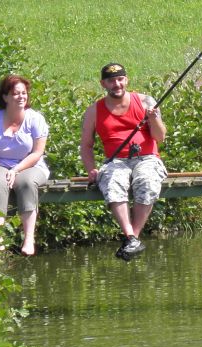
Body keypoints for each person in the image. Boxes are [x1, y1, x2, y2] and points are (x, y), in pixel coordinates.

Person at [80, 63, 167, 261]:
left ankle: (132, 238)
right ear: (103, 84)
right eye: (111, 81)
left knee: (147, 181)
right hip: (116, 161)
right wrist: (91, 169)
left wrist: (154, 119)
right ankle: (131, 236)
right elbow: (86, 145)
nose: (116, 84)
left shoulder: (146, 102)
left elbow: (159, 137)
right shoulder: (94, 111)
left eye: (120, 79)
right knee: (112, 182)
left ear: (127, 80)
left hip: (147, 158)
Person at [0, 74, 50, 256]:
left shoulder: (35, 119)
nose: (21, 97)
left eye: (24, 93)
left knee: (26, 183)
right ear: (5, 97)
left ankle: (29, 239)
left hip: (31, 166)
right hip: (0, 164)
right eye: (15, 93)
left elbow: (37, 153)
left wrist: (16, 170)